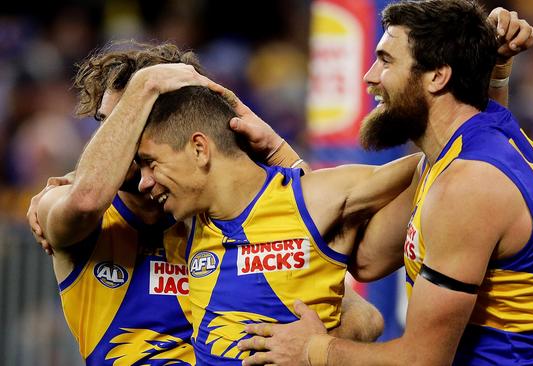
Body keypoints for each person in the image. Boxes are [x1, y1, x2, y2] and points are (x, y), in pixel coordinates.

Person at [237, 1, 533, 366]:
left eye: (386, 60)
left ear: (438, 77)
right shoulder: (449, 158)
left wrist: (311, 350)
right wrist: (279, 153)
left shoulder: (468, 184)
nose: (369, 76)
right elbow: (365, 258)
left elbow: (422, 359)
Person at [27, 42, 384, 365]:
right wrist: (147, 85)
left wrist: (312, 350)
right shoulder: (64, 206)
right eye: (105, 124)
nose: (110, 139)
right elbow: (87, 199)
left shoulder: (217, 220)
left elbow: (364, 318)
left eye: (127, 121)